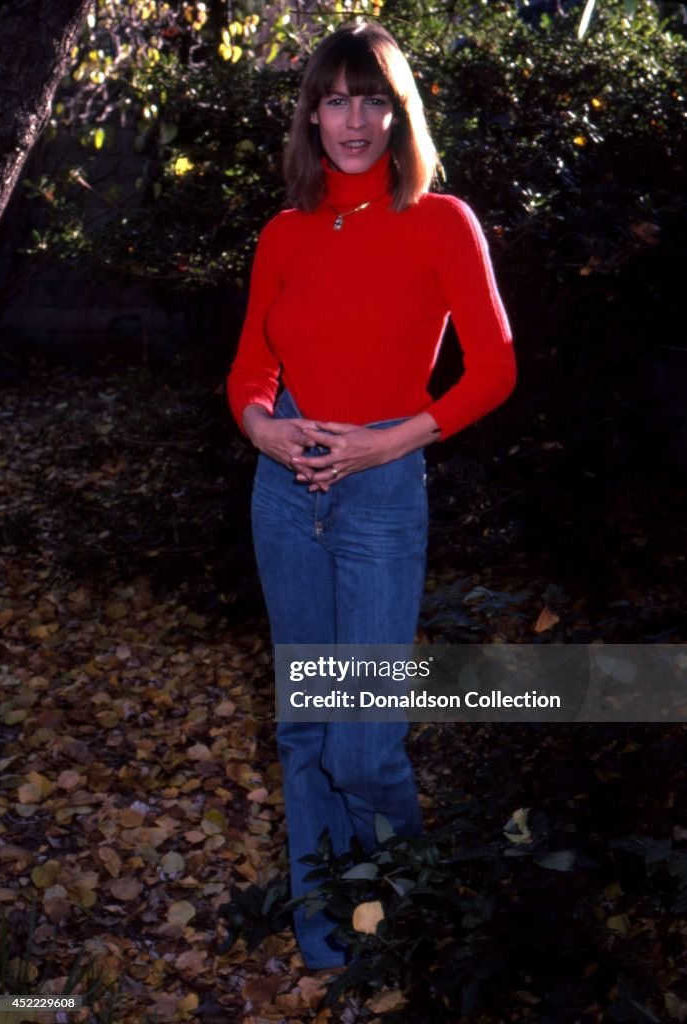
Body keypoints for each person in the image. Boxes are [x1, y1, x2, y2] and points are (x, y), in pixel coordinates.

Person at [227, 21, 516, 970]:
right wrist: (262, 426)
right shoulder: (285, 230)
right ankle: (330, 931)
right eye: (336, 99)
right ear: (311, 113)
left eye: (373, 99)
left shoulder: (441, 220)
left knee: (363, 745)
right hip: (287, 493)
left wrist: (388, 441)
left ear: (399, 112)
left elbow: (496, 368)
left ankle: (405, 909)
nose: (354, 121)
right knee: (305, 727)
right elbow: (251, 369)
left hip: (383, 493)